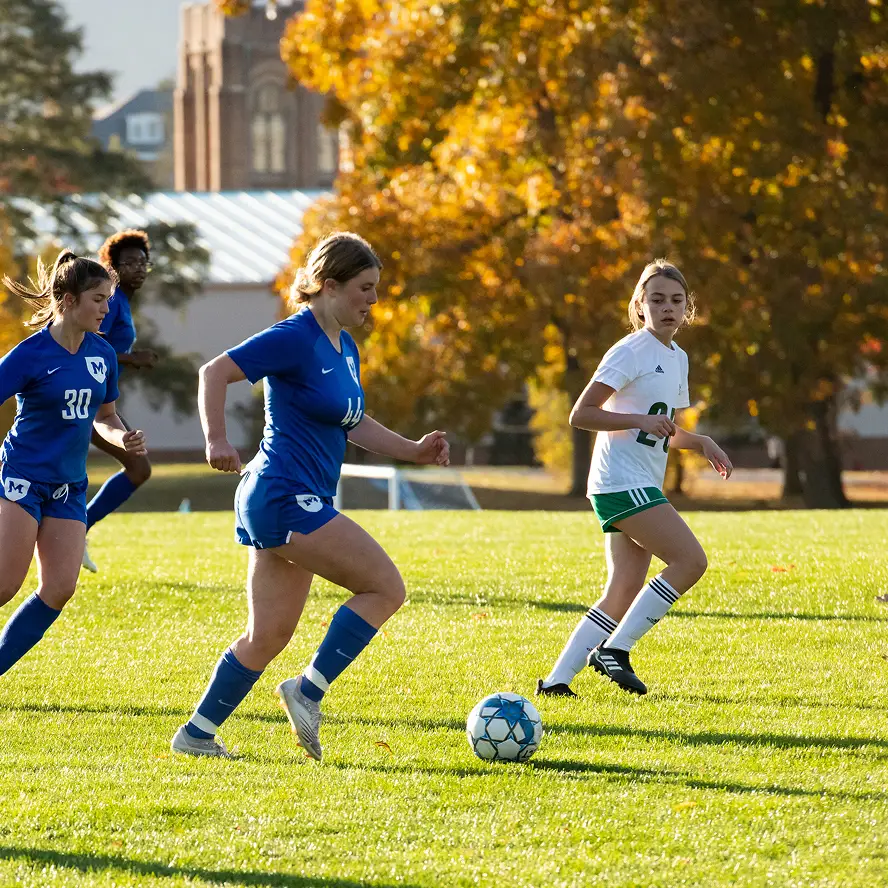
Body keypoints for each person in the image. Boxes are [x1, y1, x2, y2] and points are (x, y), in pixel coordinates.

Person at [171, 232, 450, 759]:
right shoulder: (294, 337)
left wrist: (413, 450)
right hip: (283, 493)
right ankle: (307, 690)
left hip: (289, 498)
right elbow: (215, 372)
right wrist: (215, 438)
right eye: (365, 288)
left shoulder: (346, 349)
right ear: (328, 285)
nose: (373, 300)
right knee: (385, 588)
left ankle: (196, 735)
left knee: (268, 635)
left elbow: (354, 422)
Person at [537, 259, 732, 698]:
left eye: (676, 300)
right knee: (690, 562)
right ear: (639, 306)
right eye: (657, 299)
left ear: (687, 308)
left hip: (638, 481)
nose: (667, 307)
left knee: (622, 588)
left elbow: (660, 429)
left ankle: (556, 682)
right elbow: (581, 414)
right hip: (618, 481)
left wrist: (698, 441)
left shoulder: (677, 358)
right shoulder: (629, 350)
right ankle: (616, 650)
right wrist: (640, 420)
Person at [0, 251, 146, 676]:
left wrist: (123, 437)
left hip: (68, 486)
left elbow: (105, 417)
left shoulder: (102, 354)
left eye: (109, 299)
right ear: (65, 299)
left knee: (60, 589)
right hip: (22, 479)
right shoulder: (29, 355)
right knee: (5, 585)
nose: (107, 308)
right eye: (98, 299)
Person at [81, 229, 157, 572]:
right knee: (138, 468)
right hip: (84, 400)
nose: (138, 269)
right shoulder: (109, 303)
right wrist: (131, 358)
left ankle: (74, 530)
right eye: (129, 263)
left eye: (143, 263)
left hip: (100, 401)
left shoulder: (122, 301)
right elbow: (88, 345)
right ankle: (72, 531)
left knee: (138, 468)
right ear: (111, 267)